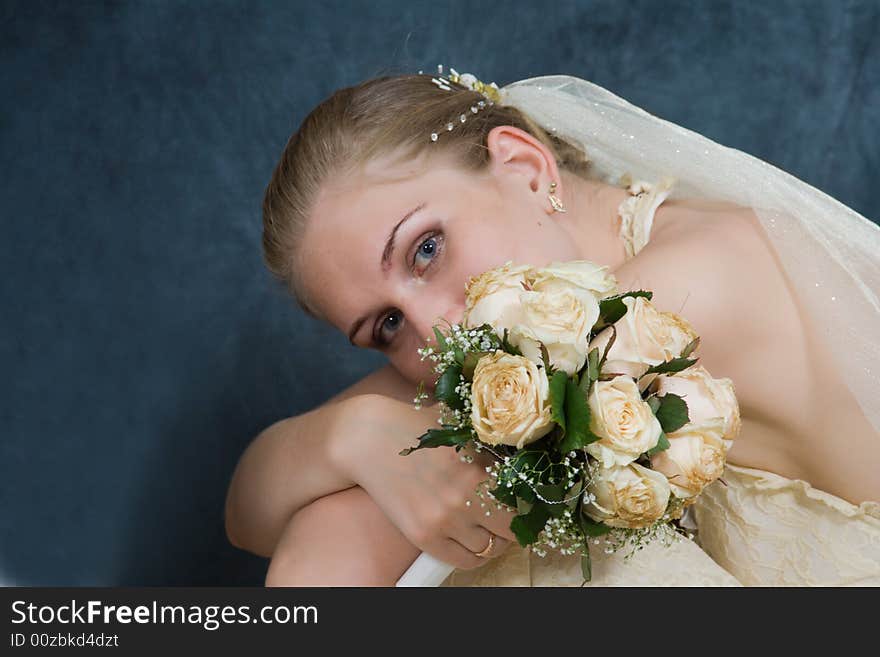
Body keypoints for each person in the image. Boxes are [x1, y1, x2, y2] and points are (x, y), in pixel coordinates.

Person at [225, 70, 880, 586]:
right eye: (387, 324)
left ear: (528, 167)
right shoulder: (546, 311)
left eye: (426, 249)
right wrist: (346, 436)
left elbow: (319, 543)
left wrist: (355, 442)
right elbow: (245, 510)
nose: (435, 331)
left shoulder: (683, 289)